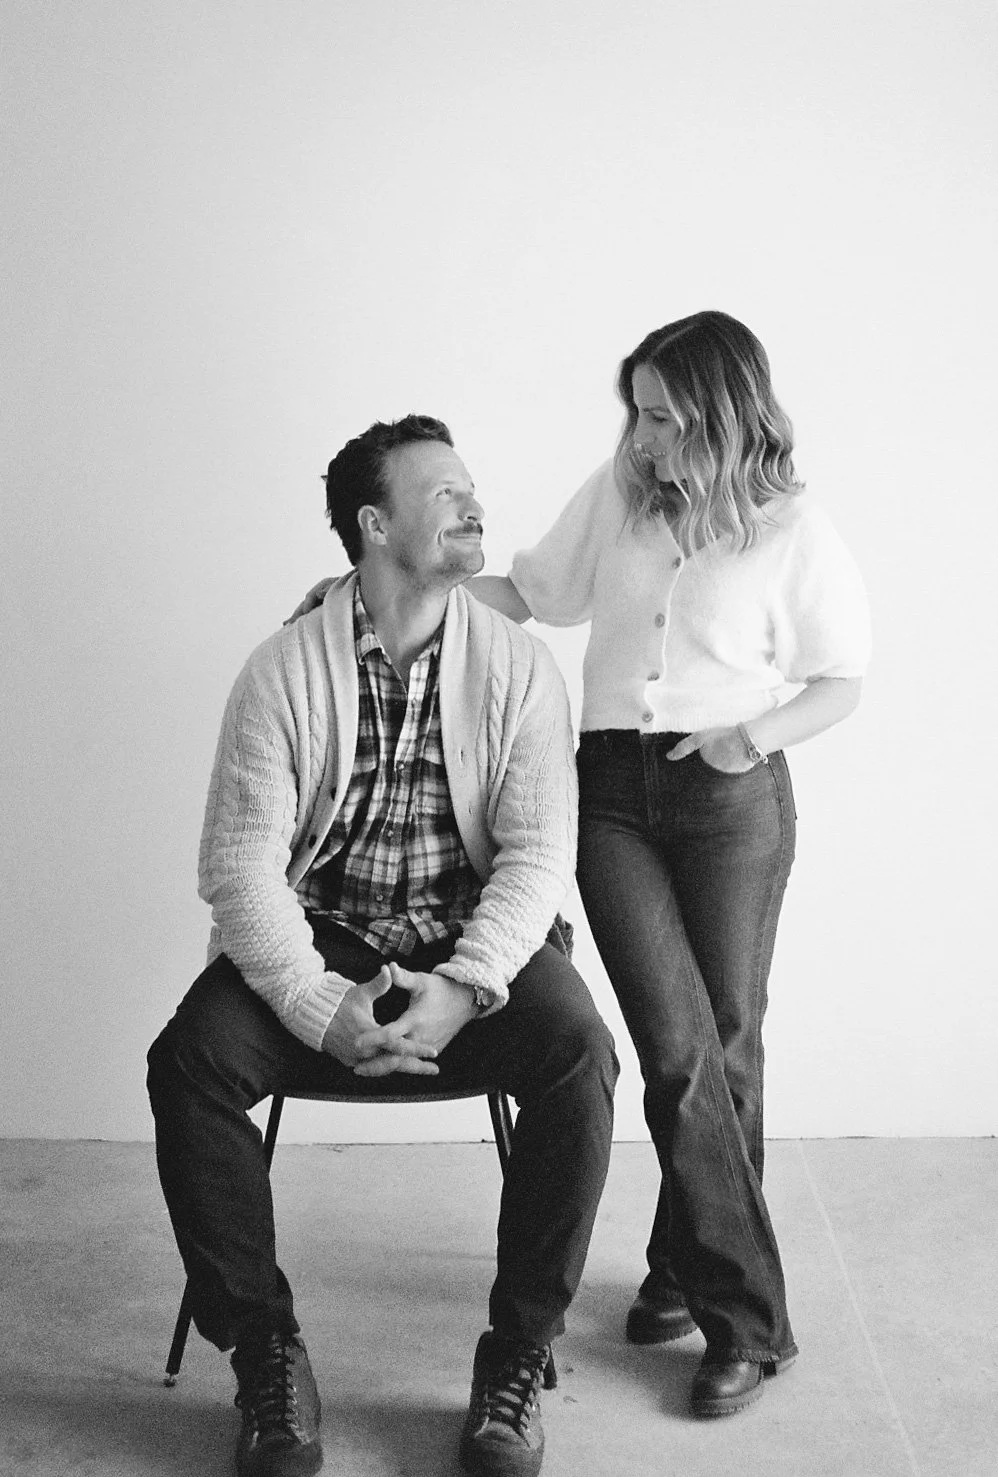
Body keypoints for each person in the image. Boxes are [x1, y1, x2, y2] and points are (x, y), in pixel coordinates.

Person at [147, 414, 618, 1477]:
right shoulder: (279, 671)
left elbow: (541, 854)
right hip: (325, 942)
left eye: (470, 487)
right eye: (442, 490)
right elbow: (238, 866)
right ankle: (265, 1352)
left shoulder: (517, 669)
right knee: (189, 1062)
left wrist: (463, 986)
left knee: (580, 1055)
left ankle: (514, 1357)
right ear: (373, 524)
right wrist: (320, 1004)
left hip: (467, 946)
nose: (472, 503)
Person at [469, 310, 872, 1416]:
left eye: (659, 414)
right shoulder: (614, 498)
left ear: (718, 410)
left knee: (723, 1048)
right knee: (678, 1048)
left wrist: (751, 737)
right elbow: (534, 594)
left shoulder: (788, 526)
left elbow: (842, 676)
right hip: (608, 796)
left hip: (731, 795)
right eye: (633, 412)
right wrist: (388, 584)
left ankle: (684, 1279)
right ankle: (751, 1319)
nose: (640, 436)